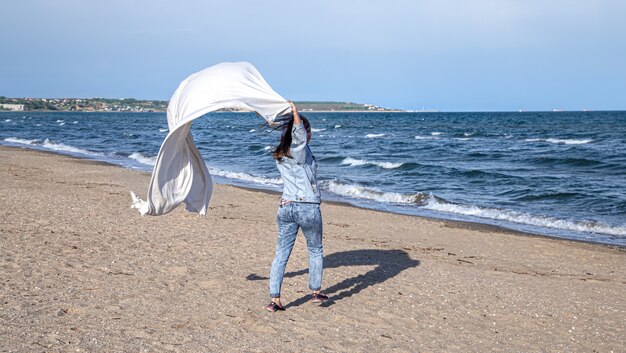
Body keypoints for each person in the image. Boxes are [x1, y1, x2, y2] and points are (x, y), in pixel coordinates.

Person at [266, 101, 327, 312]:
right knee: (315, 249)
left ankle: (275, 299)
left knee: (281, 253)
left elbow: (296, 136)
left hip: (286, 207)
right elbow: (299, 135)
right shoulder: (300, 150)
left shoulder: (280, 153)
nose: (309, 135)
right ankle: (315, 292)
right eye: (308, 131)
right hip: (307, 207)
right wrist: (295, 113)